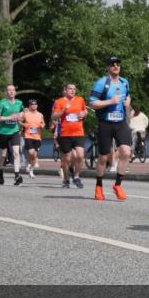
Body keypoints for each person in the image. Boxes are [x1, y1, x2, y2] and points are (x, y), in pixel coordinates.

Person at [89, 56, 132, 201]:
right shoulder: (101, 83)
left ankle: (118, 185)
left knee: (126, 152)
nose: (116, 66)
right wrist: (110, 101)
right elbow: (92, 103)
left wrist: (128, 101)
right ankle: (99, 185)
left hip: (120, 122)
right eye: (112, 64)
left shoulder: (125, 82)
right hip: (105, 123)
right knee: (104, 157)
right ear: (107, 67)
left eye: (118, 64)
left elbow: (128, 96)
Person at [52, 83, 87, 190]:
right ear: (65, 90)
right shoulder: (59, 101)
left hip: (78, 132)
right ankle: (66, 179)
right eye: (70, 89)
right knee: (67, 159)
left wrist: (83, 114)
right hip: (65, 134)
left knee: (80, 156)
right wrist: (63, 111)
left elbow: (85, 111)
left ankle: (76, 177)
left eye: (74, 89)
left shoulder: (80, 99)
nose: (72, 91)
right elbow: (53, 116)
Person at [0, 84, 25, 186]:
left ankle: (17, 175)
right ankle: (0, 171)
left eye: (13, 90)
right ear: (6, 92)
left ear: (15, 92)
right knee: (3, 155)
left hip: (15, 131)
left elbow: (22, 112)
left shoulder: (19, 102)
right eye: (9, 90)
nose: (11, 92)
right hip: (4, 132)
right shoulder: (2, 103)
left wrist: (21, 115)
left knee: (16, 153)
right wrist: (9, 117)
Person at [21, 99, 45, 178]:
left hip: (37, 137)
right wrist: (24, 125)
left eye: (35, 104)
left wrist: (42, 125)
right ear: (29, 106)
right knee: (31, 152)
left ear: (37, 105)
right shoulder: (26, 114)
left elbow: (43, 123)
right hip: (28, 136)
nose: (34, 105)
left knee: (34, 155)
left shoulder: (40, 114)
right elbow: (19, 122)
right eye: (32, 104)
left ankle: (30, 168)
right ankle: (30, 166)